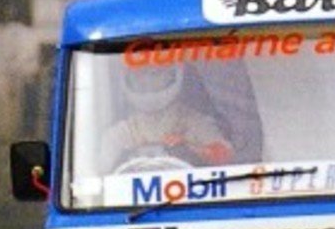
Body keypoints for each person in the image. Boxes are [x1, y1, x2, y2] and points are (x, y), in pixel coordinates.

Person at [100, 62, 237, 173]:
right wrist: (125, 156)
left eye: (157, 74)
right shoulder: (120, 133)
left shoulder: (196, 123)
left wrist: (190, 148)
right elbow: (100, 174)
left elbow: (226, 158)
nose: (149, 81)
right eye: (140, 75)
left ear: (175, 74)